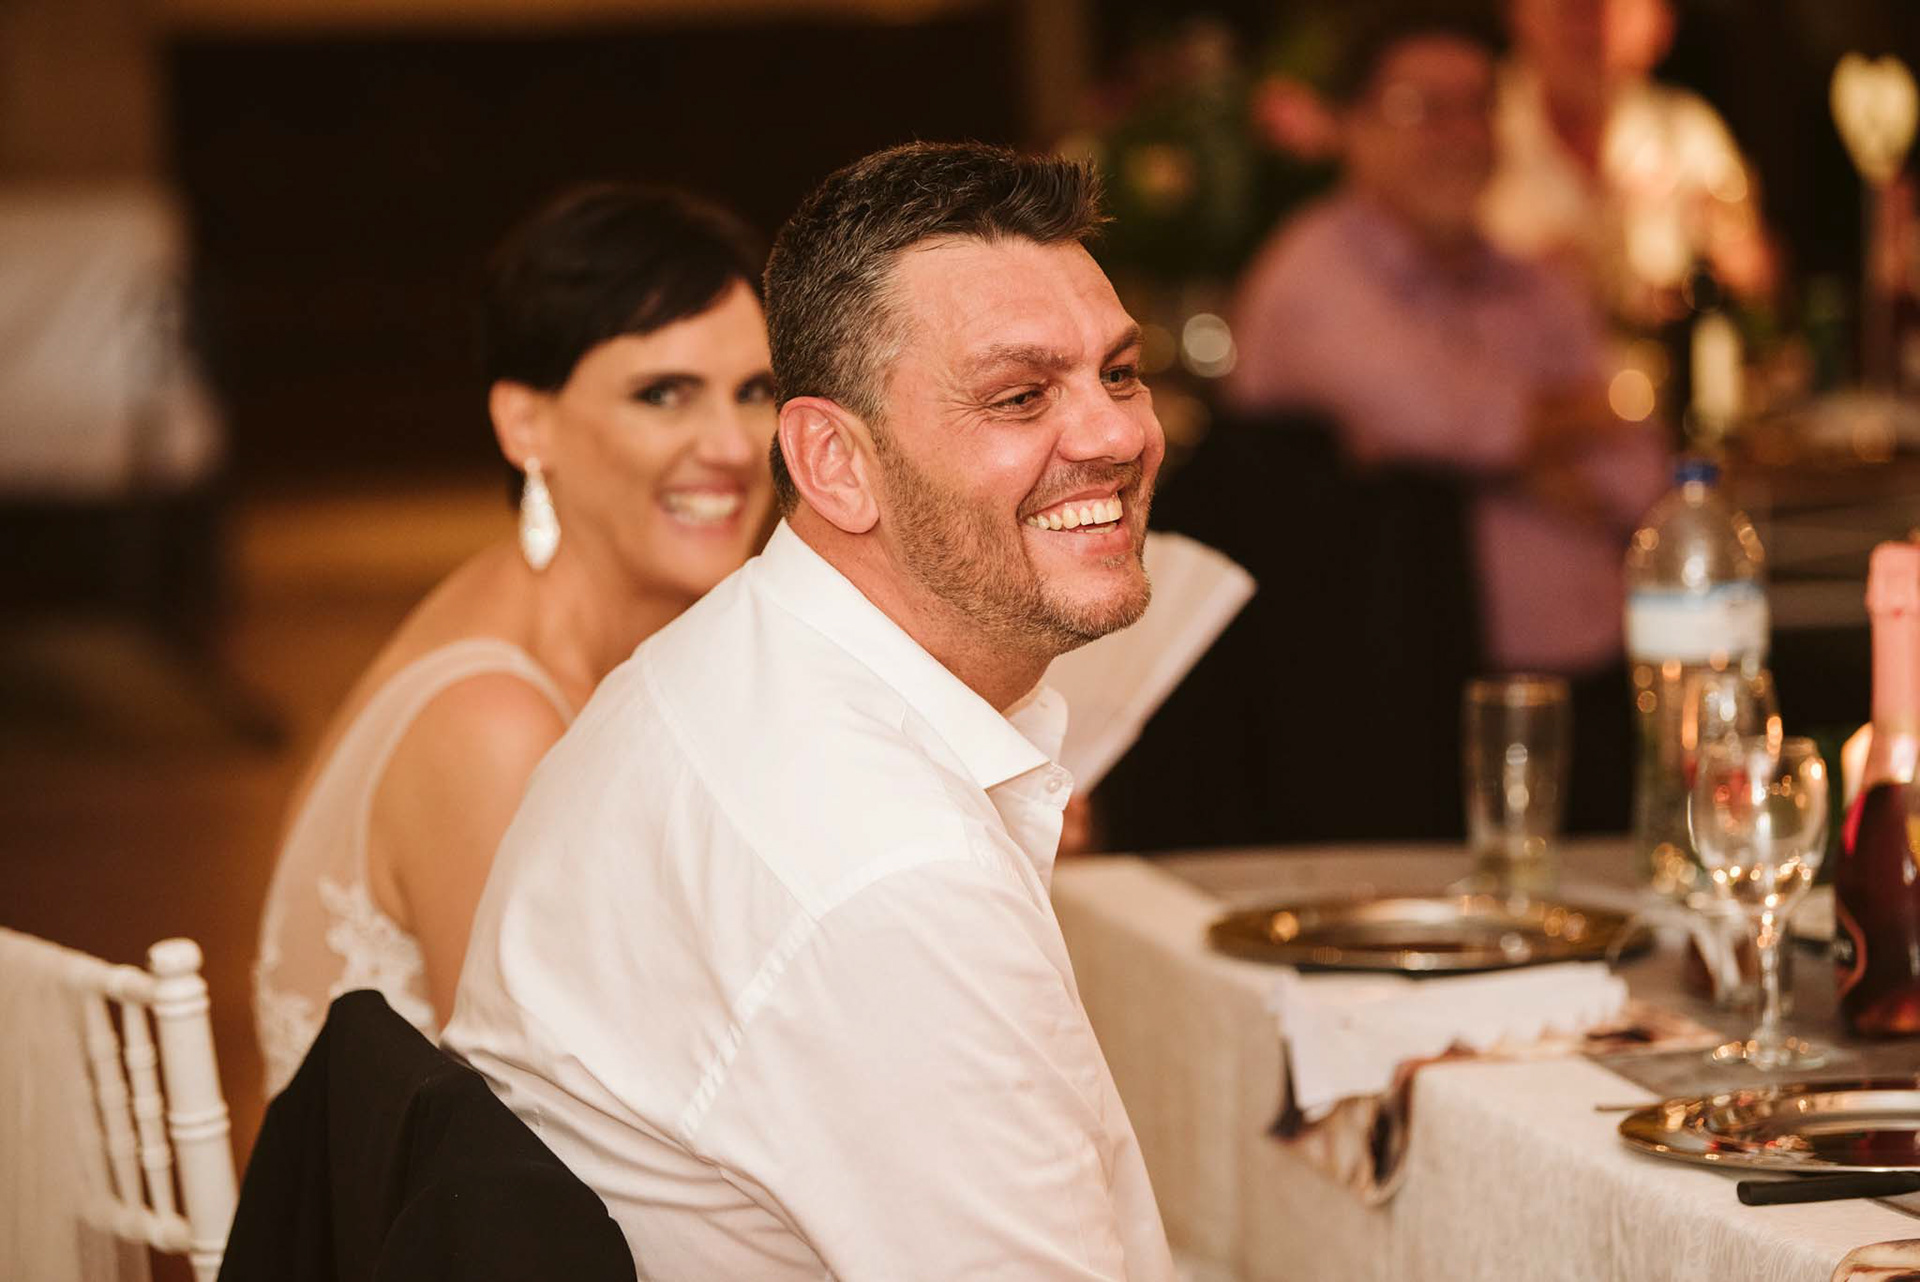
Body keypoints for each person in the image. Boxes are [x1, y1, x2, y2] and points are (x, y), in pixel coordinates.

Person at [443, 143, 1179, 1279]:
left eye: (1120, 373)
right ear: (834, 462)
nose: (1118, 436)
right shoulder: (893, 874)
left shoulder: (720, 658)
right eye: (1021, 396)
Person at [252, 185, 775, 1097]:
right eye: (664, 395)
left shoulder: (628, 641)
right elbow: (560, 1116)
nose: (733, 446)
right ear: (525, 423)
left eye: (756, 392)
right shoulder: (491, 722)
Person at [1225, 10, 1667, 830]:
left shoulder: (1536, 283)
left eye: (1479, 106)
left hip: (1596, 691)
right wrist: (1563, 425)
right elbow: (1458, 418)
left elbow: (1639, 474)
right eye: (1422, 109)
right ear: (1351, 126)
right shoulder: (1314, 271)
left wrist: (1513, 450)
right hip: (1398, 730)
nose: (1461, 135)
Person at [1480, 0, 1775, 327]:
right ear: (1518, 13)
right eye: (1571, 7)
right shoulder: (1471, 129)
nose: (1595, 25)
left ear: (1660, 26)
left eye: (1619, 8)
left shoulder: (1688, 133)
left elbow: (1757, 286)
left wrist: (1737, 269)